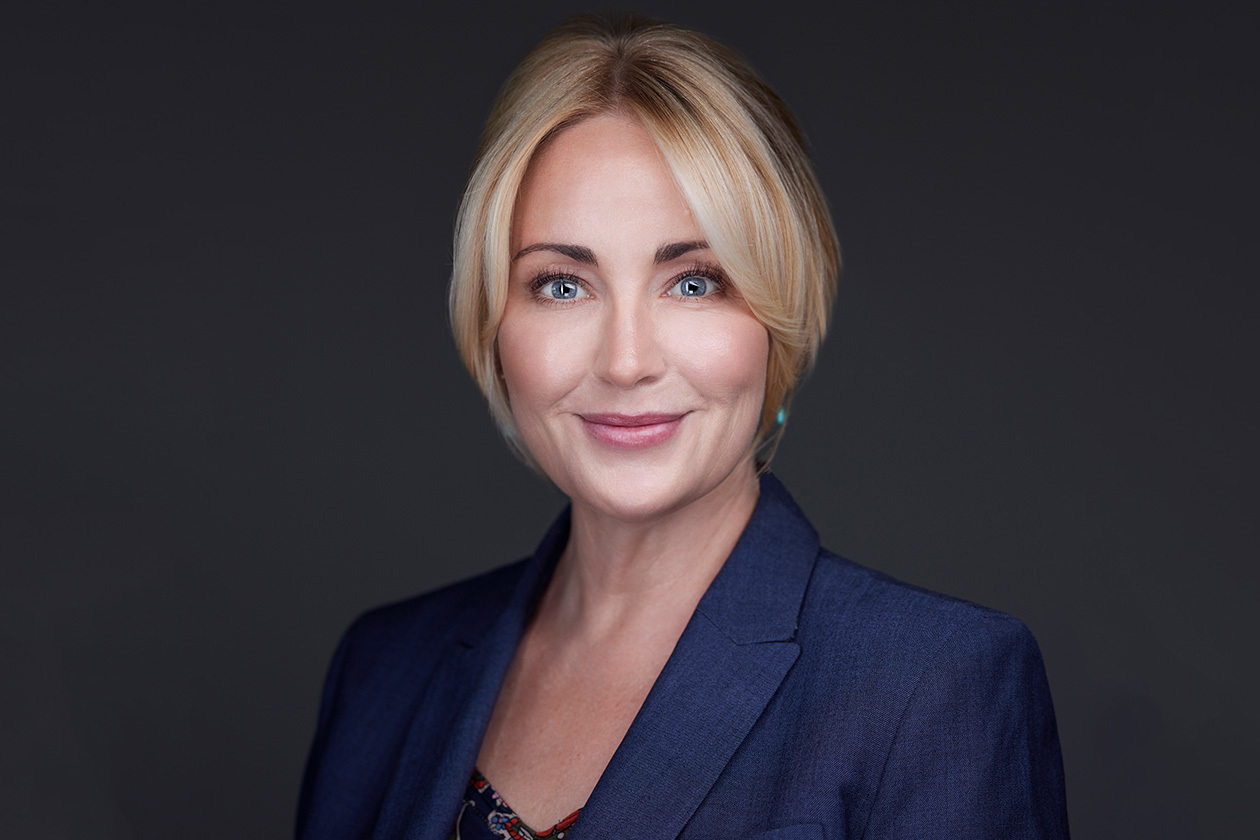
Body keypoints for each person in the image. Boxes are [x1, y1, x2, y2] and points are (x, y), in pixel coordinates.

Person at [296, 13, 1069, 840]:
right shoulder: (383, 668)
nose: (626, 361)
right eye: (562, 285)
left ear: (776, 315)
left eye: (694, 282)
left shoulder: (932, 686)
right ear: (494, 322)